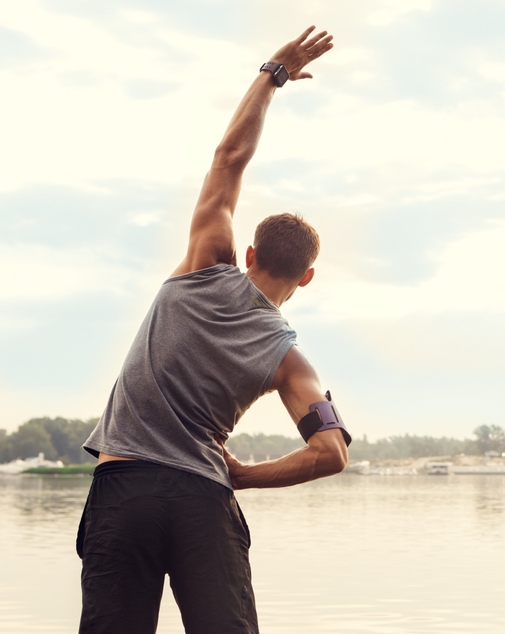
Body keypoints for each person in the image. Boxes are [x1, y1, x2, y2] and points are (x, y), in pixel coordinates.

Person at [76, 25, 349, 634]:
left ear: (248, 253)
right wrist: (246, 475)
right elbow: (330, 453)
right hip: (203, 497)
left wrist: (273, 73)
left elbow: (229, 158)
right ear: (306, 279)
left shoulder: (206, 263)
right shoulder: (289, 361)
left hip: (125, 490)